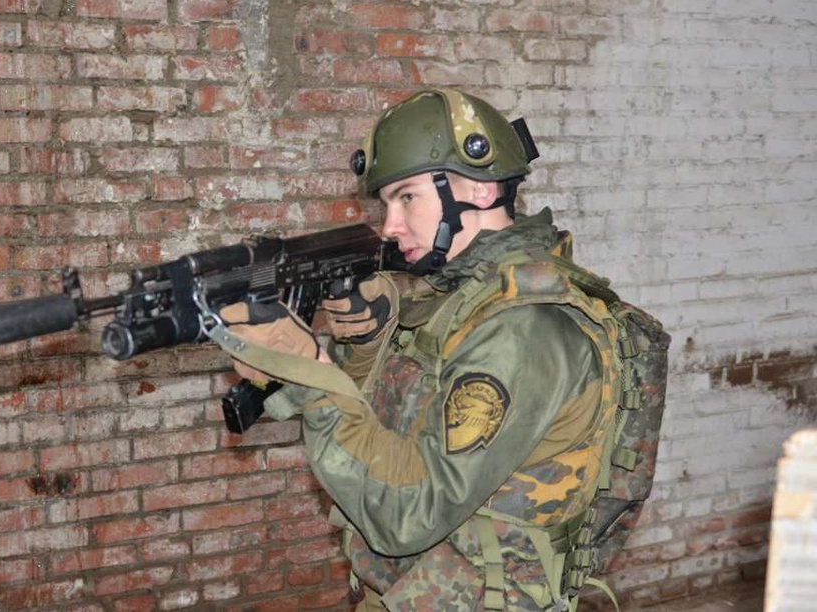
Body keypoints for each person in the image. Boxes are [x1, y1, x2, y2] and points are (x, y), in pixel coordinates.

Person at [218, 88, 623, 611]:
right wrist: (365, 346)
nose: (390, 226)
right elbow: (388, 438)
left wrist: (314, 379)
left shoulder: (520, 331)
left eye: (407, 197)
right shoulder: (459, 298)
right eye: (386, 203)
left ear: (478, 189)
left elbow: (407, 514)